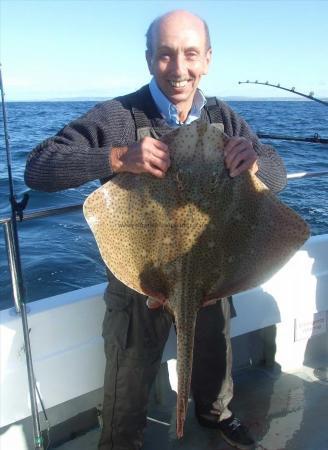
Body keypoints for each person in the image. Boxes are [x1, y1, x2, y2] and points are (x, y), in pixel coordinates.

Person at [25, 9, 287, 450]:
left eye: (189, 54)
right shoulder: (118, 115)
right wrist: (117, 158)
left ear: (207, 59)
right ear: (149, 59)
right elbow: (39, 166)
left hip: (208, 276)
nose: (179, 68)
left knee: (213, 358)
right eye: (166, 55)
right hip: (139, 280)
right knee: (127, 380)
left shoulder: (225, 117)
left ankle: (215, 413)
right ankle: (121, 440)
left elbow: (276, 176)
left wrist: (255, 162)